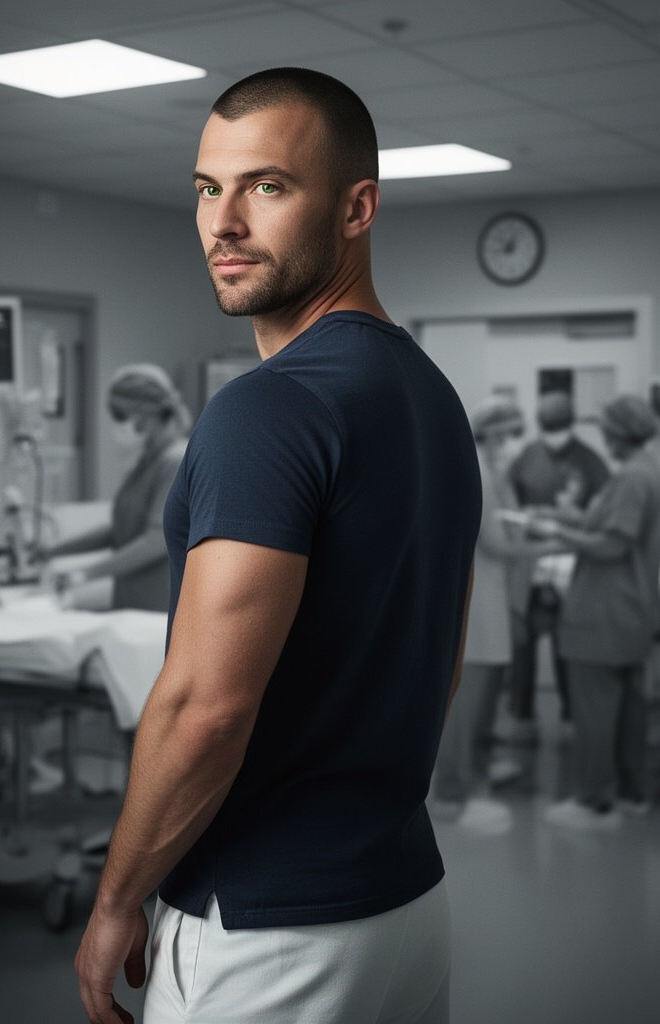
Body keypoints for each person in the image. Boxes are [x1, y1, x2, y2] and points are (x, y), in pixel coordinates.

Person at [73, 68, 481, 1024]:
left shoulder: (269, 409)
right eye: (208, 189)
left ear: (356, 207)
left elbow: (205, 707)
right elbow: (444, 663)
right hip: (402, 907)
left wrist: (113, 900)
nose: (224, 223)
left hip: (264, 930)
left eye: (267, 186)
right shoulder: (432, 399)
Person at [527, 394, 660, 831]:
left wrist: (556, 532)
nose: (602, 437)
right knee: (629, 709)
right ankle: (631, 794)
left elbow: (613, 545)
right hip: (631, 612)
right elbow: (608, 527)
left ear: (622, 432)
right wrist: (567, 516)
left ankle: (594, 802)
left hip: (604, 614)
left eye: (606, 430)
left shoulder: (630, 478)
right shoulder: (647, 472)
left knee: (594, 714)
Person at [433, 398, 561, 834]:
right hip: (478, 604)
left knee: (486, 700)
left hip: (493, 602)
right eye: (507, 435)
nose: (512, 444)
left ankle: (477, 774)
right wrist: (551, 545)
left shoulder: (493, 471)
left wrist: (532, 523)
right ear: (488, 434)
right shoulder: (480, 472)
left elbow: (505, 525)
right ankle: (452, 795)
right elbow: (497, 545)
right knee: (467, 706)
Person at [42, 363, 190, 612]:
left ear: (147, 415)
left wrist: (85, 574)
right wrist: (54, 551)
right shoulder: (147, 462)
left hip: (160, 611)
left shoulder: (175, 461)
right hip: (133, 605)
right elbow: (121, 529)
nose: (116, 424)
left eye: (120, 416)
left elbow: (157, 540)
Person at [508, 390, 610, 743]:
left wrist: (569, 519)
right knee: (523, 649)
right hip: (529, 565)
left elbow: (603, 519)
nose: (553, 431)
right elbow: (508, 507)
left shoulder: (591, 462)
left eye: (559, 425)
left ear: (571, 422)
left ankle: (571, 717)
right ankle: (522, 718)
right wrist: (529, 519)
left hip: (572, 569)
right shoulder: (525, 458)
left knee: (569, 646)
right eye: (547, 425)